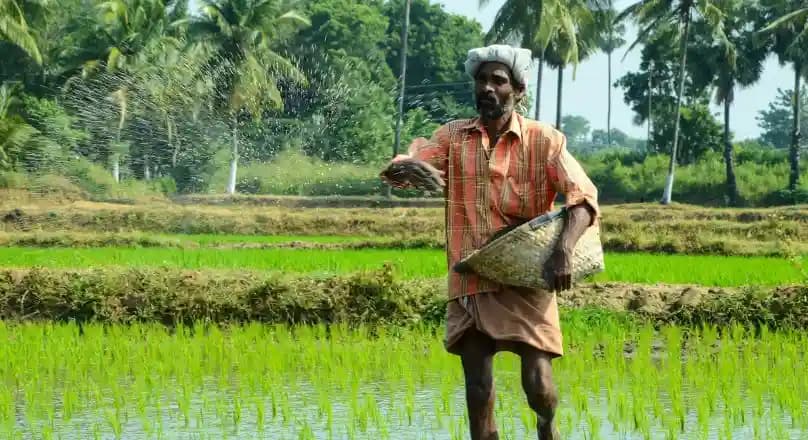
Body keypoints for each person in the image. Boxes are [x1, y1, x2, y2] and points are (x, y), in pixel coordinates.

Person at [380, 44, 600, 440]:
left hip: (527, 274)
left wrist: (563, 251)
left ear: (517, 90)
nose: (487, 87)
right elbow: (408, 167)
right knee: (478, 390)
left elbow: (583, 199)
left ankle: (548, 429)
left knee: (539, 389)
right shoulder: (454, 137)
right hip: (471, 275)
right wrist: (408, 168)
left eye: (497, 80)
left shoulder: (545, 141)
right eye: (482, 80)